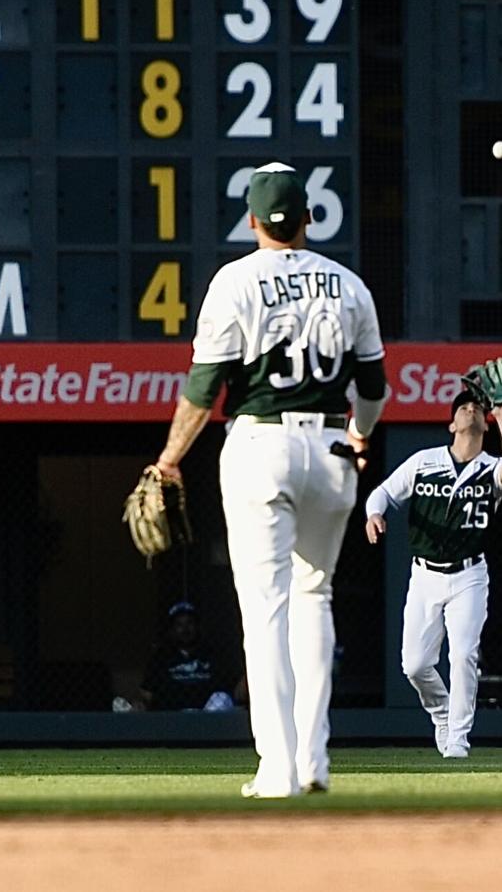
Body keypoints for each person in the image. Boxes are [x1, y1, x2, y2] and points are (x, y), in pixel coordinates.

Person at [152, 162, 387, 798]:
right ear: (310, 218)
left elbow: (204, 389)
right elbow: (373, 386)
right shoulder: (349, 285)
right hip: (333, 444)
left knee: (266, 611)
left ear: (253, 221)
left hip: (261, 442)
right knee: (316, 598)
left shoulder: (235, 281)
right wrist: (361, 434)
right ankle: (315, 762)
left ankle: (277, 768)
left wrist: (171, 457)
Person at [364, 385, 502, 758]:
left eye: (476, 409)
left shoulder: (491, 467)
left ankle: (458, 739)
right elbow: (382, 493)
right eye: (462, 407)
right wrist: (374, 514)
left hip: (469, 574)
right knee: (414, 664)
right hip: (425, 575)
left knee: (463, 654)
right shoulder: (425, 461)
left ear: (484, 426)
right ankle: (441, 712)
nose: (470, 410)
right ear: (451, 424)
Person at [138, 602, 244, 711]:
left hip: (207, 714)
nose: (185, 629)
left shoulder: (213, 654)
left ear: (197, 626)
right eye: (179, 625)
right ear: (172, 629)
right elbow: (146, 693)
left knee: (221, 697)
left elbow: (235, 687)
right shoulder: (161, 658)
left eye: (190, 623)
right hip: (173, 715)